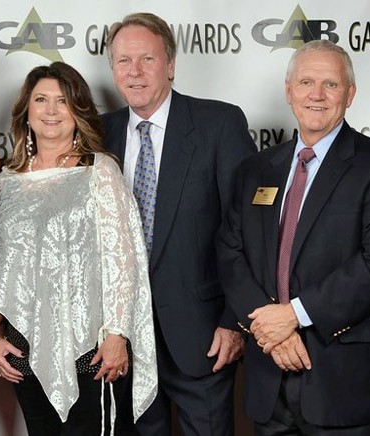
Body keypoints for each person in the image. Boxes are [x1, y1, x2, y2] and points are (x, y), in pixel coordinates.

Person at [216, 40, 370, 435]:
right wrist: (270, 330)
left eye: (330, 84)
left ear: (350, 94)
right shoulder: (255, 170)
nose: (316, 95)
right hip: (268, 383)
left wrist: (293, 316)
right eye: (306, 82)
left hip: (345, 388)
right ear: (289, 92)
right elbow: (230, 253)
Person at [102, 12, 257, 436]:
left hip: (203, 335)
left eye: (147, 60)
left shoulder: (218, 125)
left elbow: (248, 228)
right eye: (123, 61)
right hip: (125, 343)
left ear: (170, 65)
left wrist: (234, 319)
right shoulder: (100, 134)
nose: (134, 72)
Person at [0, 61, 157, 435]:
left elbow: (122, 261)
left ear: (77, 111)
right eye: (41, 100)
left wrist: (117, 334)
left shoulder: (99, 171)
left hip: (89, 349)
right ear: (26, 112)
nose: (51, 111)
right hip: (22, 348)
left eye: (62, 101)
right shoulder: (7, 180)